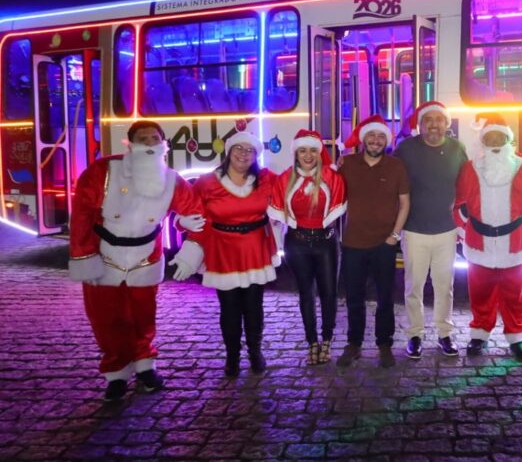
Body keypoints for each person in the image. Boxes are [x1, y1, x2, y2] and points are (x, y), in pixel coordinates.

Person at [68, 120, 206, 402]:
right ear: (130, 144)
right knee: (107, 319)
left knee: (143, 317)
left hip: (146, 257)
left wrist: (185, 232)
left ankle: (144, 365)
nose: (149, 144)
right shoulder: (101, 172)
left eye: (154, 139)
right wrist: (84, 255)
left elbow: (197, 215)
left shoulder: (172, 180)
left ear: (163, 144)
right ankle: (117, 372)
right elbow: (81, 216)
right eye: (142, 139)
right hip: (105, 255)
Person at [176, 131, 278, 377]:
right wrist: (183, 224)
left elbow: (295, 183)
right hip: (223, 249)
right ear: (229, 151)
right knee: (229, 308)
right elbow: (189, 212)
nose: (243, 154)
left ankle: (255, 351)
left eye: (249, 150)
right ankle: (232, 356)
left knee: (254, 306)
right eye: (238, 148)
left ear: (255, 155)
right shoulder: (207, 182)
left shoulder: (266, 179)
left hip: (255, 248)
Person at [454, 113, 522, 362]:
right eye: (490, 136)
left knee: (516, 294)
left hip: (516, 241)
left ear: (508, 139)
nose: (495, 140)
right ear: (484, 141)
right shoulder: (469, 167)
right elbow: (459, 202)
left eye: (500, 136)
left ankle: (517, 338)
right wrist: (463, 222)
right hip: (480, 241)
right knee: (480, 293)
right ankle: (480, 334)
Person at [395, 100, 468, 359]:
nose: (434, 125)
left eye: (439, 120)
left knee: (444, 285)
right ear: (420, 125)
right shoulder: (406, 149)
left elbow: (466, 185)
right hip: (414, 229)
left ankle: (444, 334)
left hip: (447, 230)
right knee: (413, 285)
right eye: (429, 120)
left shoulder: (457, 149)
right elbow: (394, 184)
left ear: (447, 124)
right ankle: (415, 334)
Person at [336, 115, 410, 368]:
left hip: (384, 244)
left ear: (386, 141)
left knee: (385, 297)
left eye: (381, 137)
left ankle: (384, 344)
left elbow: (404, 203)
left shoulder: (396, 166)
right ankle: (354, 344)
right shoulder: (346, 164)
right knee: (354, 297)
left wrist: (394, 236)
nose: (376, 140)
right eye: (371, 135)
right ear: (364, 138)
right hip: (353, 243)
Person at [269, 129, 346, 365]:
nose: (308, 155)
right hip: (296, 243)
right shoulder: (284, 179)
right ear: (296, 153)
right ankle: (312, 340)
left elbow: (337, 206)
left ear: (319, 152)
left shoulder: (332, 178)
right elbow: (275, 213)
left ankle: (327, 339)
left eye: (313, 150)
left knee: (328, 293)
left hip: (326, 242)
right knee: (305, 293)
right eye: (303, 150)